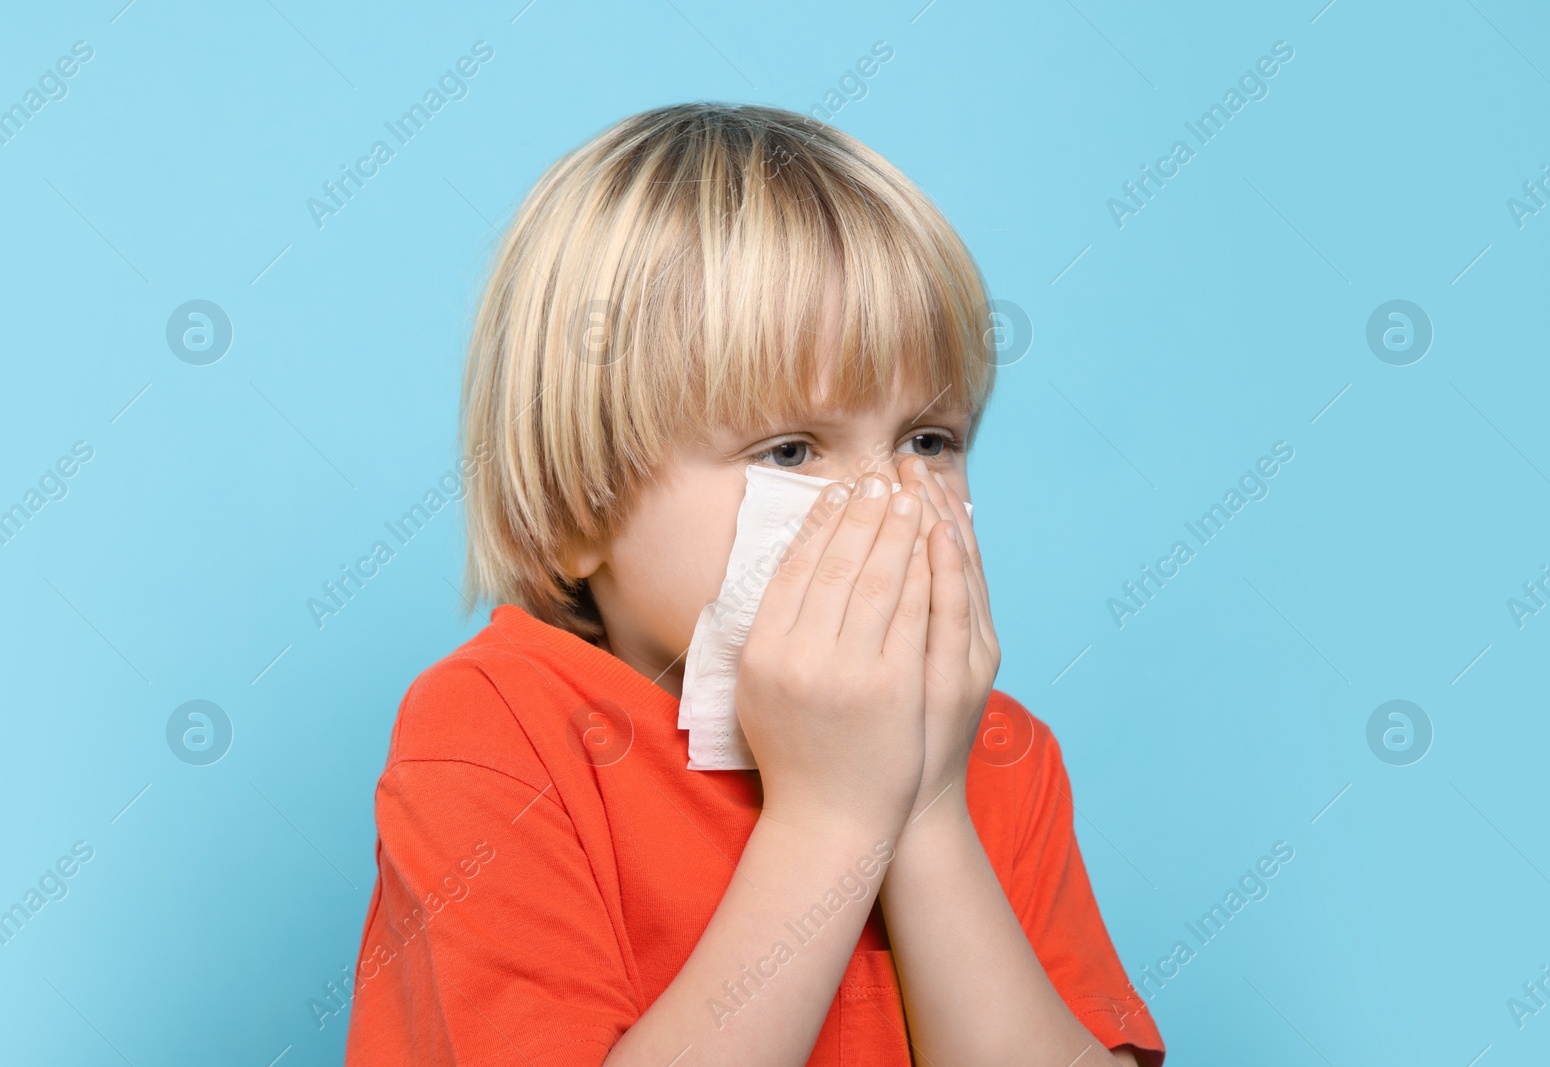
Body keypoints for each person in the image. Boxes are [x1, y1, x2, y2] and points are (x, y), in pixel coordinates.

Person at [345, 102, 1165, 1066]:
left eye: (927, 440)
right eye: (789, 448)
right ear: (575, 514)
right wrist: (832, 817)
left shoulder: (997, 752)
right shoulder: (495, 735)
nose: (886, 501)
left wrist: (929, 805)